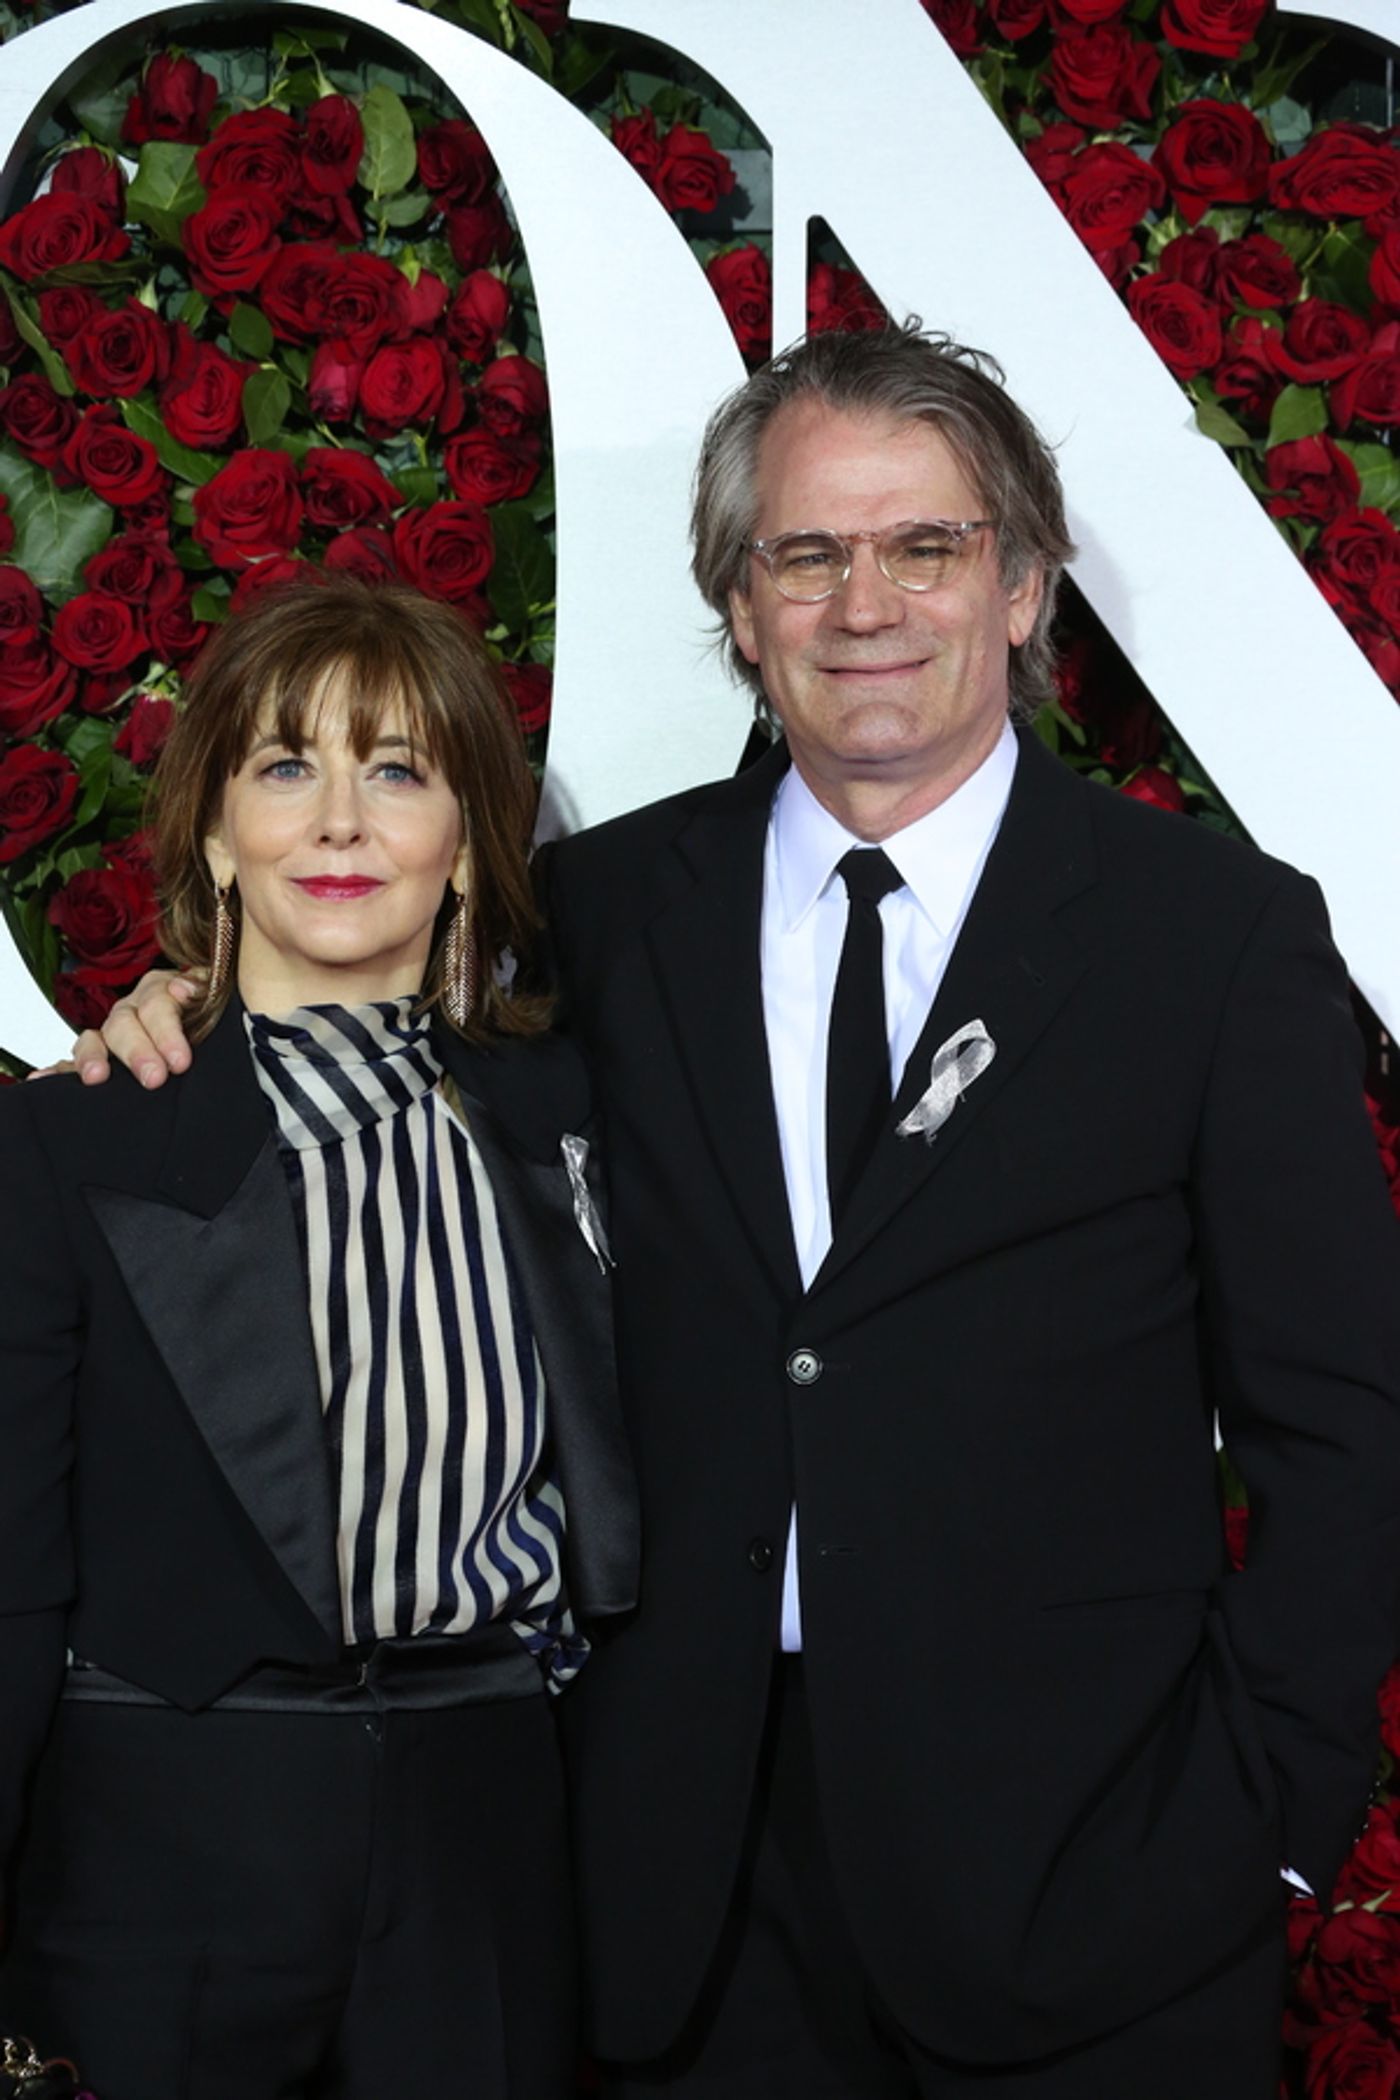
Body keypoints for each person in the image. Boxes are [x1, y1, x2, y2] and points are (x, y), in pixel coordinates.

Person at [77, 327, 1400, 2100]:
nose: (870, 602)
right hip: (679, 1905)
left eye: (925, 548)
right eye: (808, 554)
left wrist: (1269, 1824)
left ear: (1021, 587)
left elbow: (1346, 1422)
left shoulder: (1213, 937)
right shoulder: (595, 919)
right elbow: (361, 1099)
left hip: (1103, 1894)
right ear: (741, 602)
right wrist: (173, 1028)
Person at [0, 573, 637, 2100]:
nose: (340, 822)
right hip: (161, 1848)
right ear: (217, 834)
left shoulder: (581, 1120)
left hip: (488, 1830)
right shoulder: (69, 1146)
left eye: (398, 770)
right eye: (288, 767)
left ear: (471, 843)